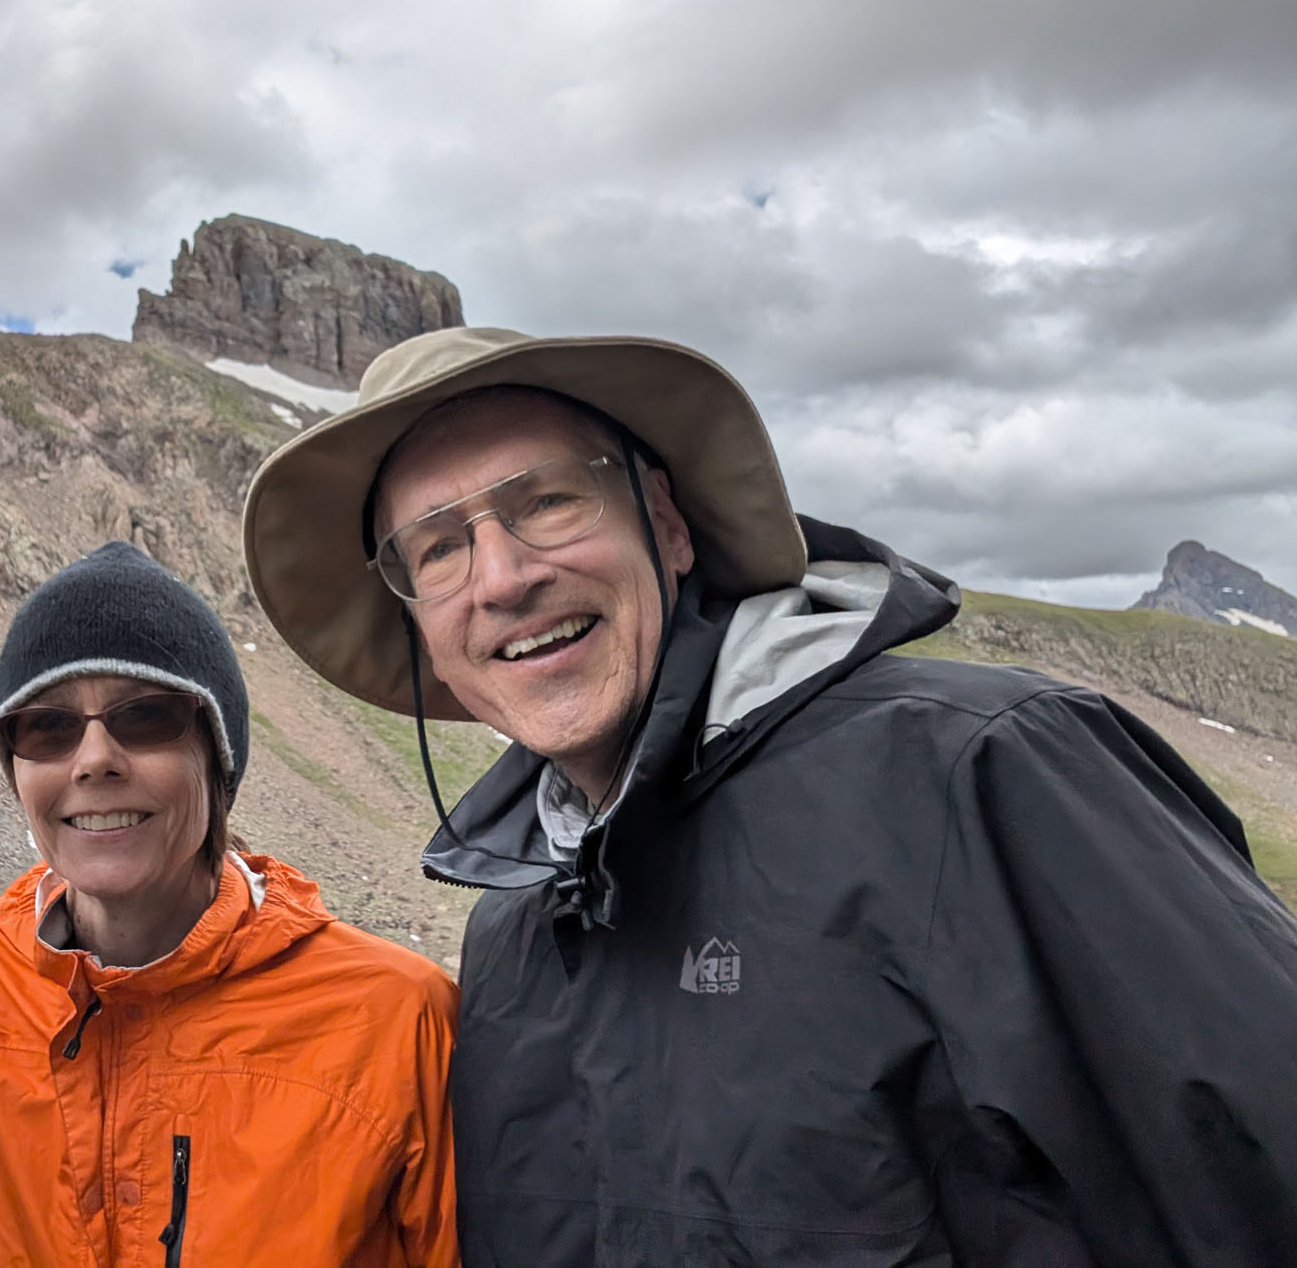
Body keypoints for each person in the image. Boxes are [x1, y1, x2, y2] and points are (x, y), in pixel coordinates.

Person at [242, 324, 1297, 1266]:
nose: (503, 576)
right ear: (420, 621)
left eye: (548, 502)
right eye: (439, 548)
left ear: (668, 523)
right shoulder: (511, 938)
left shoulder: (984, 774)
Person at [0, 540, 460, 1266]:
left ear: (216, 754)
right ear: (17, 772)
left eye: (146, 716)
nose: (95, 759)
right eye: (49, 727)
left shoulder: (399, 1021)